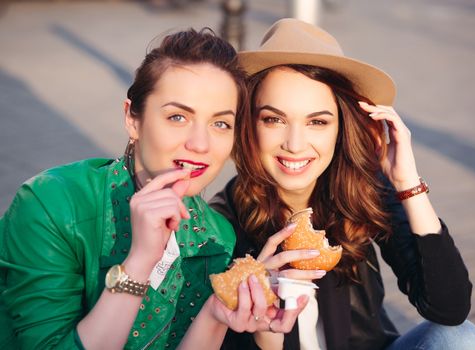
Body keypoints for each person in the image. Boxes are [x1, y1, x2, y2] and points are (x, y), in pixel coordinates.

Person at [0, 28, 306, 350]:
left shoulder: (216, 239)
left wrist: (214, 315)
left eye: (220, 124)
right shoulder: (52, 204)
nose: (200, 144)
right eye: (177, 116)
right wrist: (140, 262)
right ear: (133, 119)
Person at [211, 18, 475, 349]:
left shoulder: (361, 192)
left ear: (341, 128)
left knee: (460, 337)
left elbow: (449, 307)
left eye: (317, 122)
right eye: (274, 119)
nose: (295, 144)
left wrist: (407, 183)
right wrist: (262, 302)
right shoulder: (221, 227)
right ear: (249, 124)